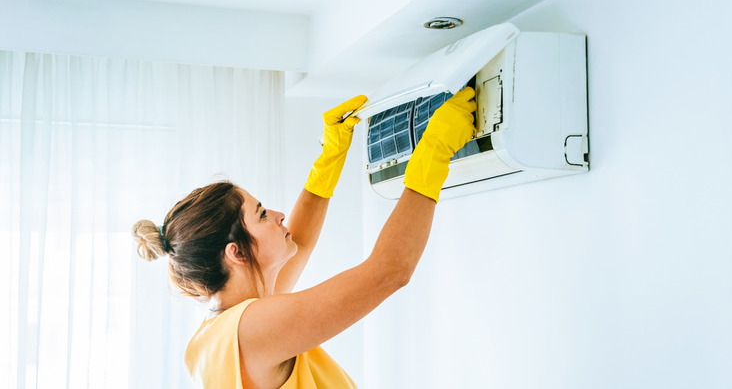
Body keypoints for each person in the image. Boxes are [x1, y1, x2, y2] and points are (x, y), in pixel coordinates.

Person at [132, 87, 477, 388]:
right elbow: (389, 271)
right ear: (236, 252)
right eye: (263, 213)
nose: (279, 215)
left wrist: (330, 157)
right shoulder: (250, 330)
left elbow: (301, 240)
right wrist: (433, 153)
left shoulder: (231, 324)